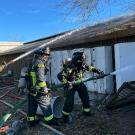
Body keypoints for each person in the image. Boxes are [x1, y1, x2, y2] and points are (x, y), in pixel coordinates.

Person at [57, 51, 104, 123]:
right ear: (78, 59)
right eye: (83, 59)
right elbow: (60, 75)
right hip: (70, 85)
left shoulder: (82, 65)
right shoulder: (70, 67)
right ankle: (65, 117)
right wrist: (66, 83)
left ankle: (86, 111)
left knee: (85, 97)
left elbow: (90, 68)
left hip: (79, 83)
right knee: (69, 101)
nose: (84, 60)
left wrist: (98, 71)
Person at [26, 47, 58, 127]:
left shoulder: (32, 62)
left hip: (31, 90)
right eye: (46, 55)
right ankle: (51, 121)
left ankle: (31, 122)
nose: (47, 56)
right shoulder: (40, 63)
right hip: (38, 91)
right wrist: (45, 89)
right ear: (41, 54)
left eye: (48, 55)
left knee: (32, 107)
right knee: (46, 105)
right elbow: (40, 79)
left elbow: (28, 76)